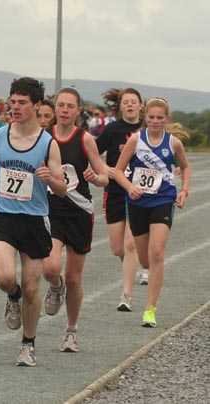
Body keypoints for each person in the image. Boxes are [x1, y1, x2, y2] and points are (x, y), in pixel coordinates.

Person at [0, 77, 67, 367]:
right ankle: (11, 296)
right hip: (5, 217)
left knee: (31, 287)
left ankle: (28, 344)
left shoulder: (47, 143)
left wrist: (51, 178)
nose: (14, 107)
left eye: (21, 103)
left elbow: (63, 188)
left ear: (37, 106)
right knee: (4, 278)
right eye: (12, 102)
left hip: (35, 220)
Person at [40, 87, 109, 353]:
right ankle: (54, 288)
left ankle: (71, 330)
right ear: (55, 108)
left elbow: (103, 175)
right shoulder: (44, 138)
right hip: (51, 210)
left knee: (73, 278)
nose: (65, 110)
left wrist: (96, 178)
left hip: (79, 212)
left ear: (78, 110)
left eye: (70, 106)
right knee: (50, 268)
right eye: (61, 105)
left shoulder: (85, 139)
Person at [112, 97, 191, 328]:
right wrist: (130, 187)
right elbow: (118, 171)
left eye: (160, 118)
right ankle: (146, 273)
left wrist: (184, 190)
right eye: (152, 117)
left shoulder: (173, 143)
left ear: (166, 119)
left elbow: (185, 166)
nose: (155, 121)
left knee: (157, 253)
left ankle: (150, 310)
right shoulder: (136, 140)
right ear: (145, 117)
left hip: (163, 199)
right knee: (145, 259)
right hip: (137, 202)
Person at [96, 88, 144, 311]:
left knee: (130, 242)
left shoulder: (147, 129)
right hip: (115, 191)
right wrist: (108, 170)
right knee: (118, 248)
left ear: (141, 105)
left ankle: (126, 295)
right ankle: (137, 265)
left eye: (134, 102)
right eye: (127, 102)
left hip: (138, 192)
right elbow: (93, 154)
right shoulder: (113, 129)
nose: (131, 105)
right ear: (121, 106)